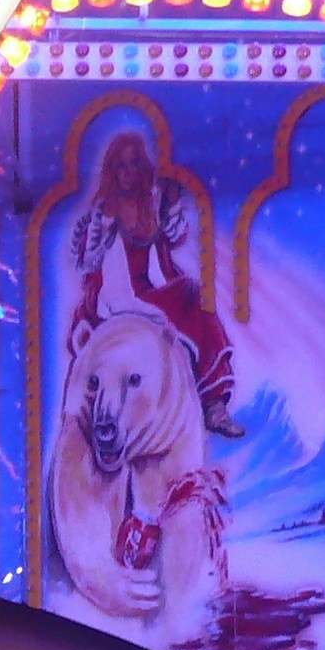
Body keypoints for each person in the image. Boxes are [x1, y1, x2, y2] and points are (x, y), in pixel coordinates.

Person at [67, 128, 244, 439]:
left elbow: (174, 238)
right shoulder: (107, 205)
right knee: (184, 295)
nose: (127, 172)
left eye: (134, 164)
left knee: (195, 296)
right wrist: (104, 229)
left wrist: (171, 207)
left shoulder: (154, 199)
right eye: (120, 166)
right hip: (117, 292)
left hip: (154, 285)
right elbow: (88, 261)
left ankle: (213, 404)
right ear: (112, 169)